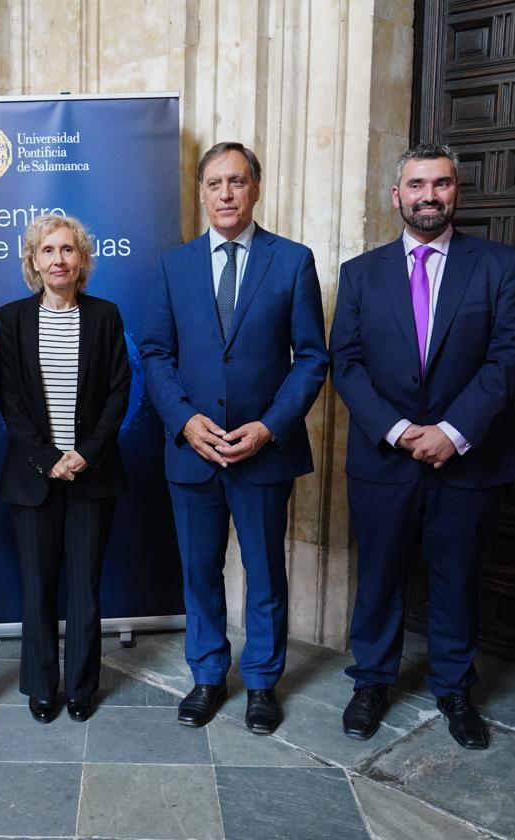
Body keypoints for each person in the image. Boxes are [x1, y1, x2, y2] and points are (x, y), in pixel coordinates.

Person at [329, 143, 515, 750]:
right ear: (397, 196)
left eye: (440, 184)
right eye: (416, 185)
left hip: (469, 460)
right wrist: (397, 430)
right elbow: (347, 362)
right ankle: (370, 683)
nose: (428, 196)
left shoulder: (498, 265)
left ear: (455, 193)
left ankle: (454, 690)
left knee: (456, 579)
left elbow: (506, 357)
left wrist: (453, 432)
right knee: (380, 576)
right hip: (384, 459)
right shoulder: (361, 273)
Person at [140, 142, 328, 735]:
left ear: (256, 189)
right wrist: (186, 421)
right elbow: (155, 353)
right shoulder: (175, 265)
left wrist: (271, 426)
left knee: (266, 570)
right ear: (201, 192)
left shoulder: (293, 261)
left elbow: (312, 359)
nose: (225, 193)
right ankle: (207, 675)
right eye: (215, 183)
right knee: (199, 570)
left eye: (237, 182)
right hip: (192, 451)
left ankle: (264, 683)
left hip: (262, 453)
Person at [0, 215, 131, 724]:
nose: (59, 259)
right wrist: (47, 458)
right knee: (37, 587)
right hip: (33, 477)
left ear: (82, 260)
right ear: (33, 261)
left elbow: (120, 390)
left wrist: (85, 454)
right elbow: (9, 398)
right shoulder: (9, 319)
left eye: (68, 250)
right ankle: (40, 684)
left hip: (92, 474)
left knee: (85, 588)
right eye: (48, 251)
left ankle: (80, 685)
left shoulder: (105, 316)